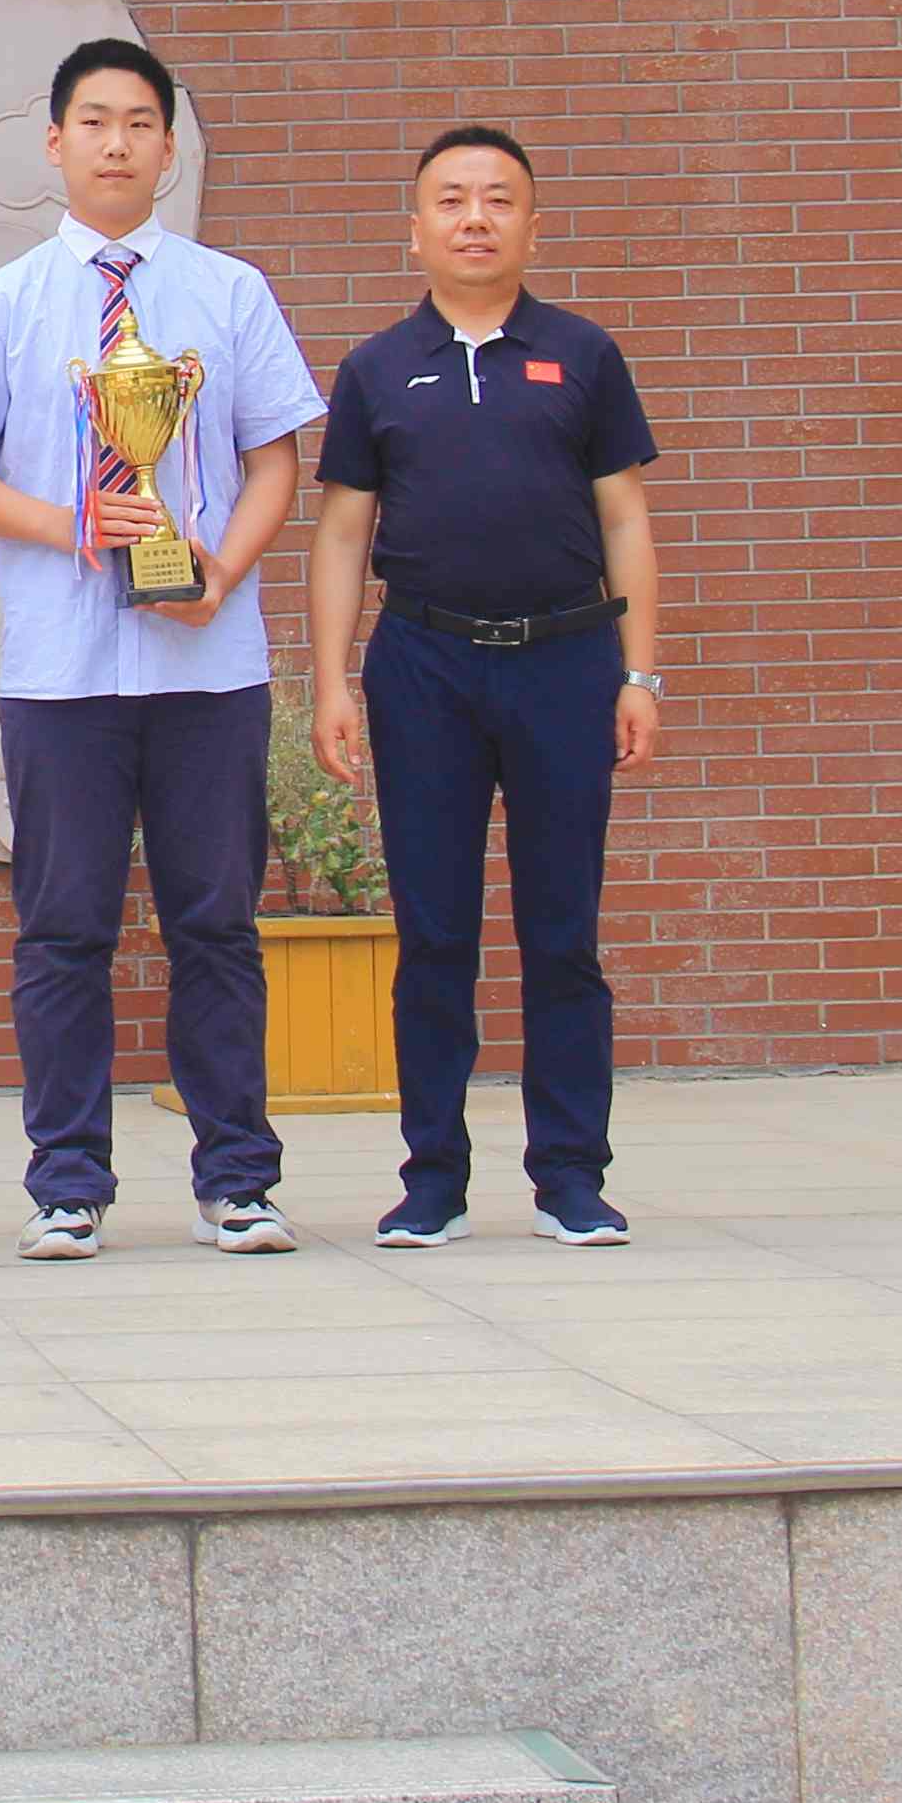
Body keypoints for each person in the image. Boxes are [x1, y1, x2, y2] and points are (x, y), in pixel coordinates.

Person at [0, 39, 325, 1260]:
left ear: (168, 147)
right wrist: (75, 527)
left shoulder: (228, 292)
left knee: (216, 926)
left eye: (139, 122)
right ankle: (66, 1182)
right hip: (62, 670)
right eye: (93, 121)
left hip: (208, 668)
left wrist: (221, 571)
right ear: (54, 143)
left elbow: (273, 458)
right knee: (63, 931)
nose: (115, 143)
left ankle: (237, 1178)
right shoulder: (2, 303)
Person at [309, 125, 666, 1250]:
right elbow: (342, 534)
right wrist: (331, 680)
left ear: (532, 226)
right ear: (414, 229)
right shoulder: (376, 369)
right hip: (423, 665)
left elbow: (624, 517)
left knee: (562, 931)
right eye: (452, 200)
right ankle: (432, 1180)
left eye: (498, 200)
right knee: (434, 934)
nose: (475, 219)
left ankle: (570, 1177)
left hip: (565, 661)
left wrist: (639, 671)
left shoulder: (583, 354)